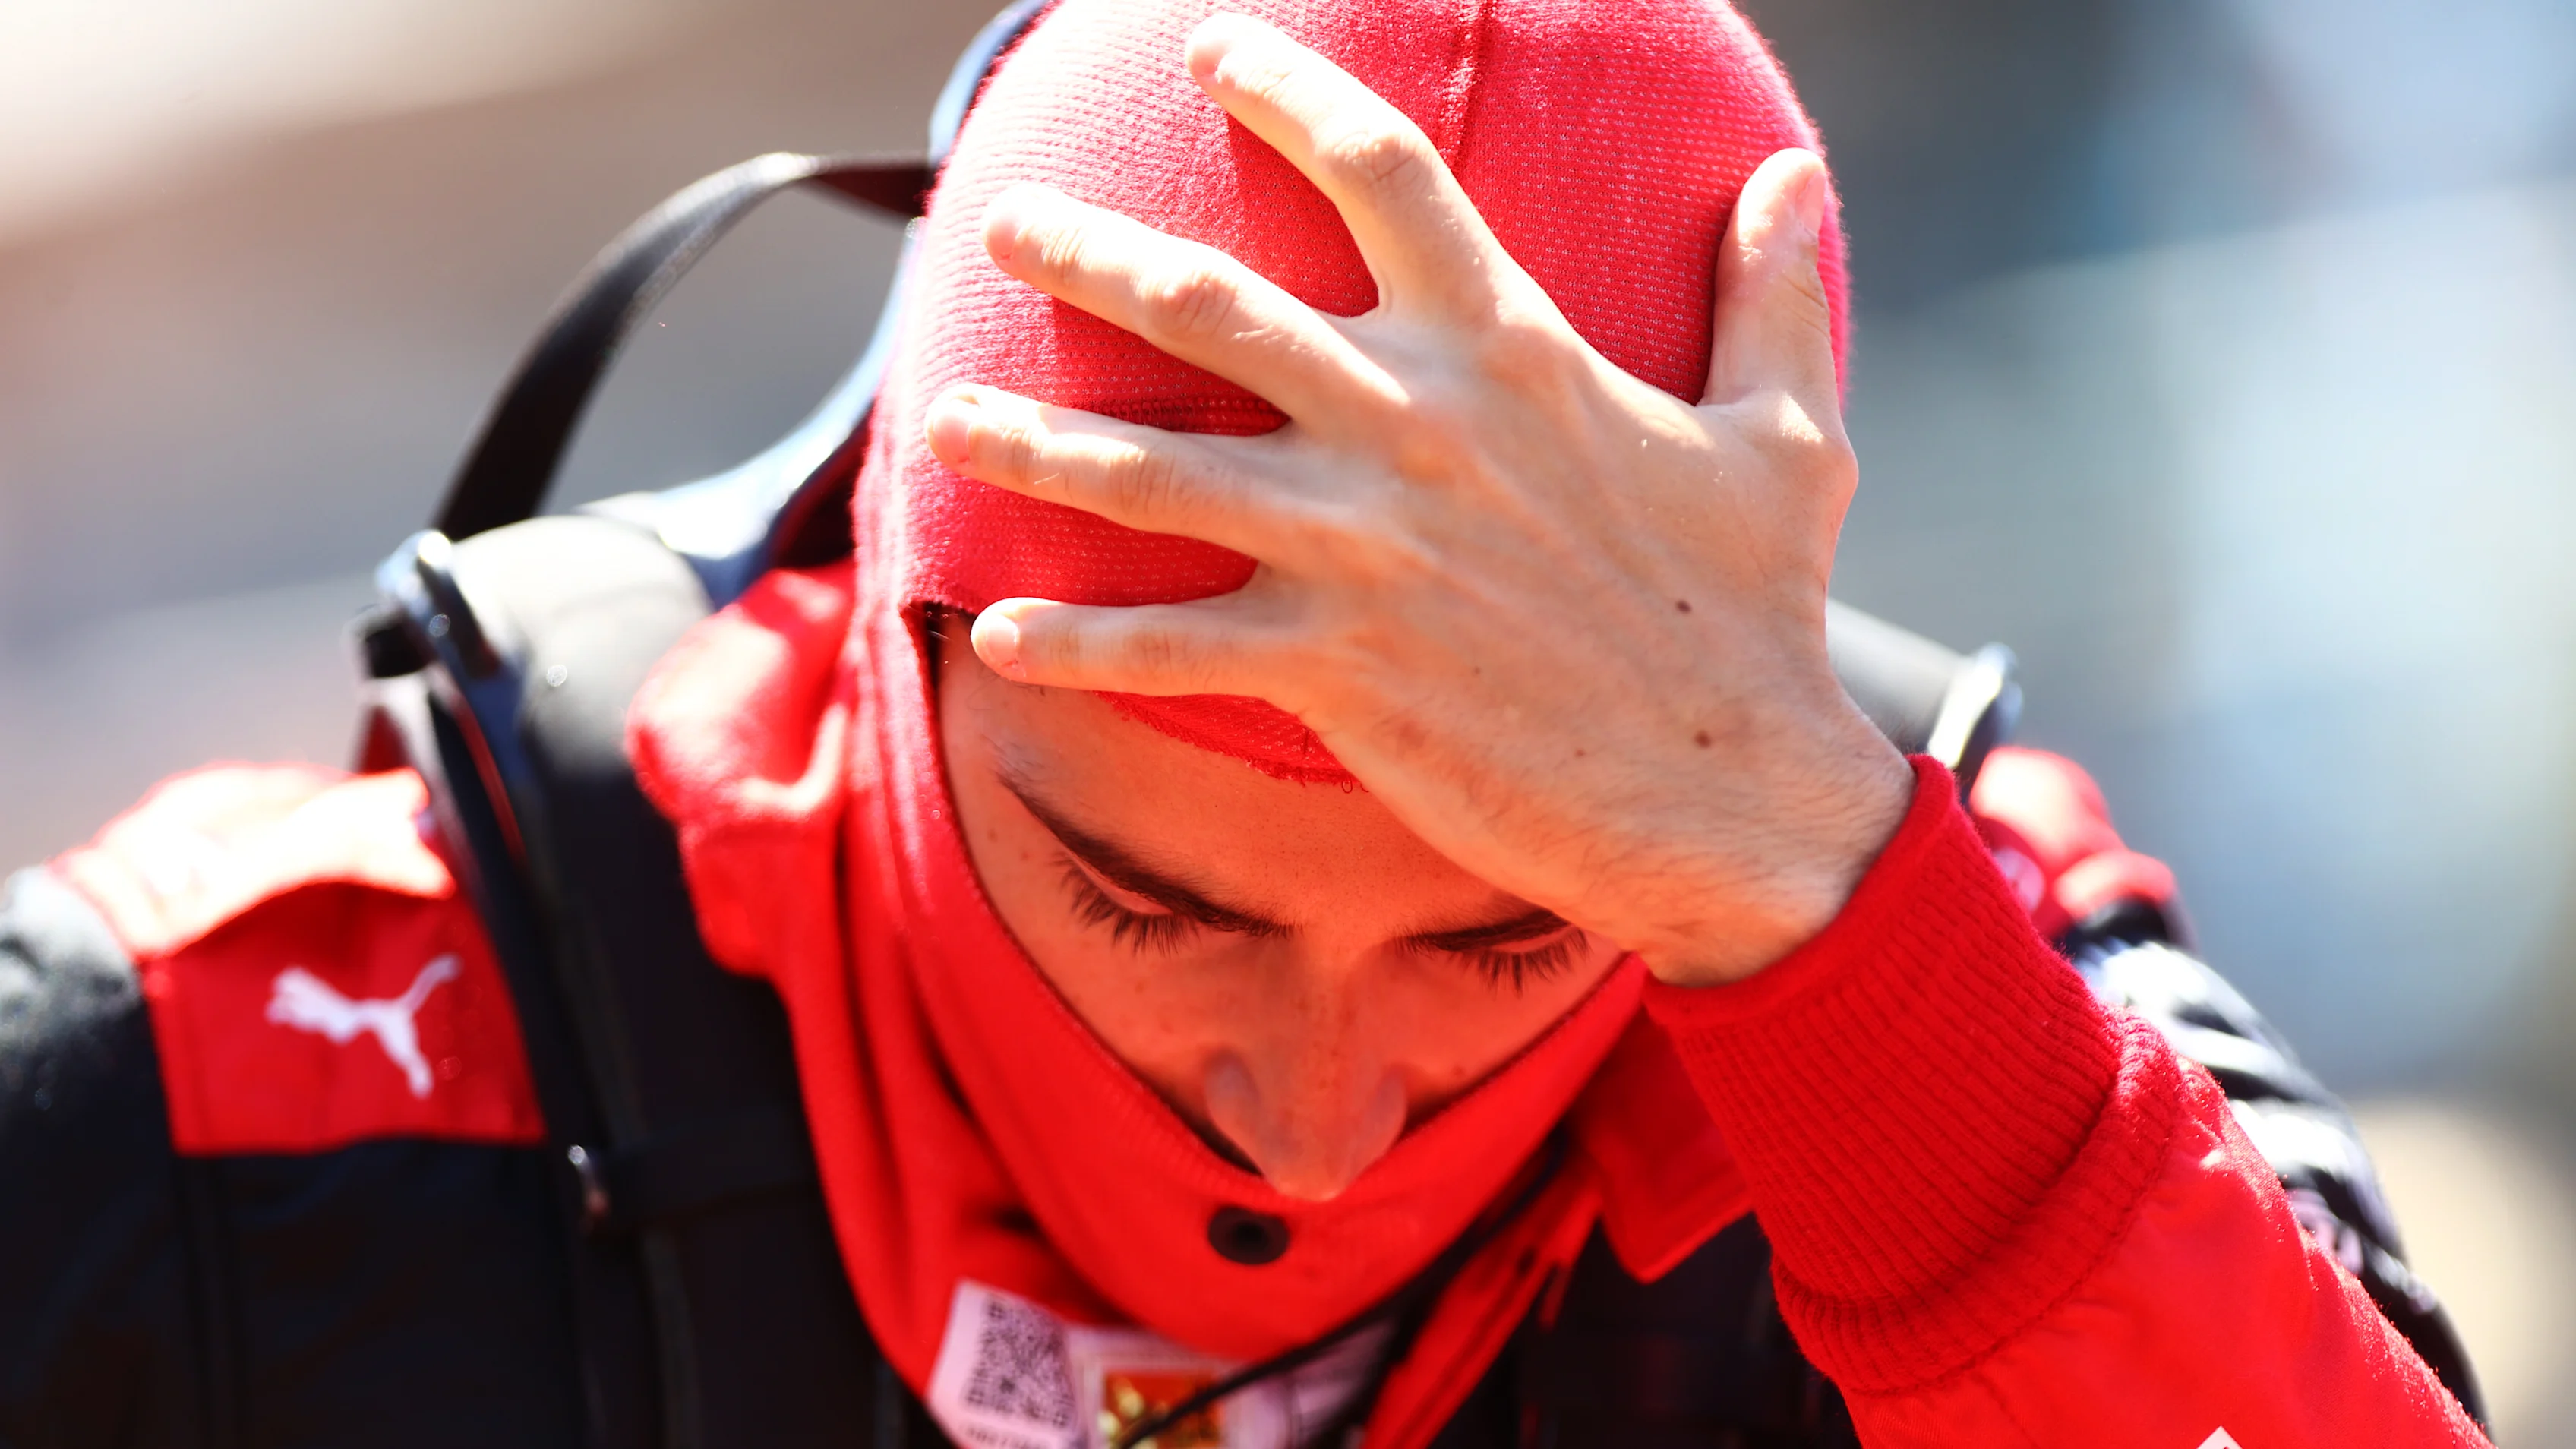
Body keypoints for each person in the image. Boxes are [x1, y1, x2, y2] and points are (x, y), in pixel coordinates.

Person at [0, 2, 2490, 1445]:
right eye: (1144, 894)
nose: (1312, 1130)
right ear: (884, 616)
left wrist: (1824, 932)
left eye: (1515, 934)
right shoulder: (230, 1094)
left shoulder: (1985, 1004)